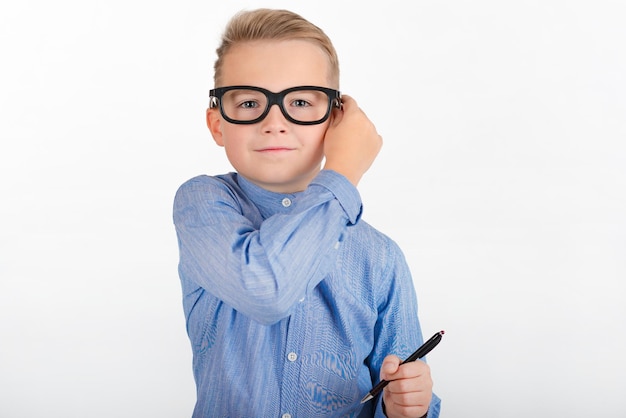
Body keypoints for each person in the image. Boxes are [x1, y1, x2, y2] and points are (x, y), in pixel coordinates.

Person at [173, 8, 441, 418]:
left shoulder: (381, 257)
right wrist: (344, 170)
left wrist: (409, 405)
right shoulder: (202, 205)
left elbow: (403, 383)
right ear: (217, 124)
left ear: (335, 120)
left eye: (299, 101)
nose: (274, 122)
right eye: (249, 102)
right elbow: (266, 288)